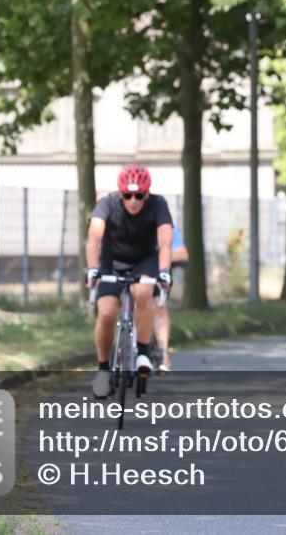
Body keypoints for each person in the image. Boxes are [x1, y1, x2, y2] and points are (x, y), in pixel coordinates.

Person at [86, 164, 173, 399]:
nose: (133, 201)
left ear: (147, 193)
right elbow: (93, 239)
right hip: (112, 262)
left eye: (139, 195)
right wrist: (93, 270)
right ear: (120, 193)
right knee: (106, 313)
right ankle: (103, 370)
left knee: (144, 292)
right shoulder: (107, 204)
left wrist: (164, 272)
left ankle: (143, 351)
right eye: (127, 195)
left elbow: (165, 242)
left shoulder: (158, 204)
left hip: (144, 260)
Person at [153, 221, 189, 372]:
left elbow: (182, 253)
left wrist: (160, 257)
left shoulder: (165, 227)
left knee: (159, 306)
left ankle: (163, 352)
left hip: (156, 272)